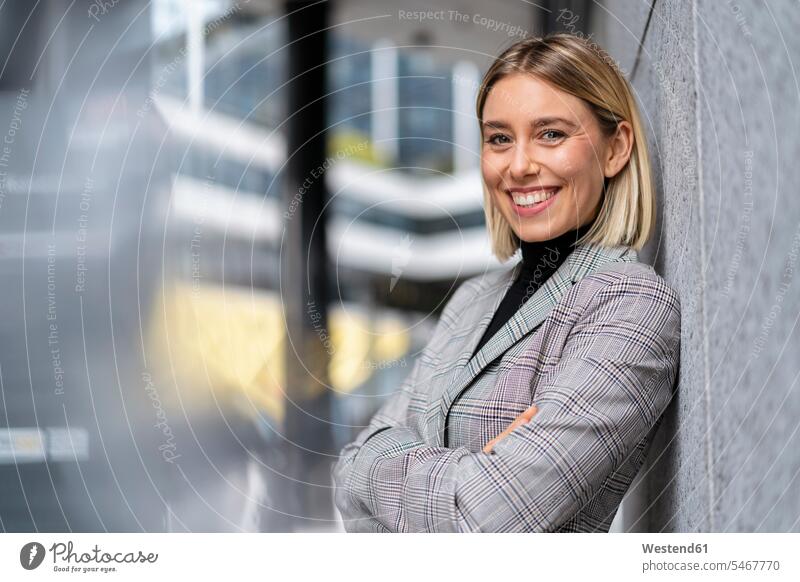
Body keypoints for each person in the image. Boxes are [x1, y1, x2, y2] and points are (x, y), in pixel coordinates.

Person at [331, 33, 681, 533]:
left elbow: (484, 521)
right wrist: (469, 471)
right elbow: (347, 471)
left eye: (551, 134)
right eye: (499, 138)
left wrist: (387, 460)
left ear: (615, 148)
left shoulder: (631, 306)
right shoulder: (473, 299)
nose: (518, 166)